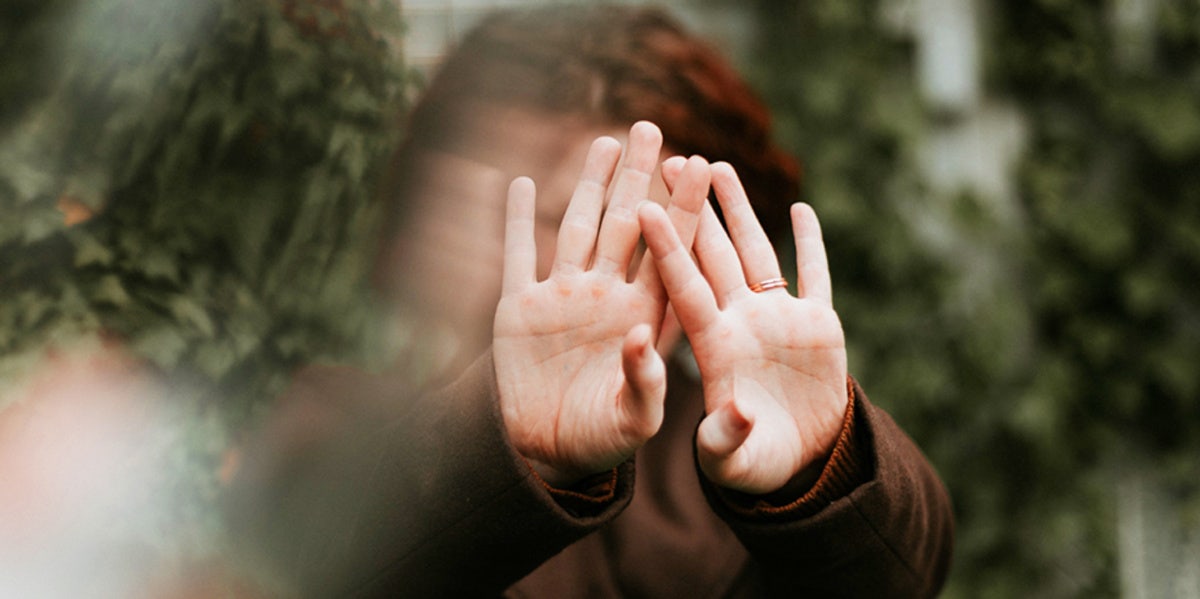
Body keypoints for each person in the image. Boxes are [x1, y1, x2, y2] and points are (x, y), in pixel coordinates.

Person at [227, 6, 954, 597]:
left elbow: (904, 575)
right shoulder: (335, 424)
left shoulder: (737, 476)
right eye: (529, 210)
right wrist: (515, 449)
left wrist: (821, 472)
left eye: (632, 227)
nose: (578, 266)